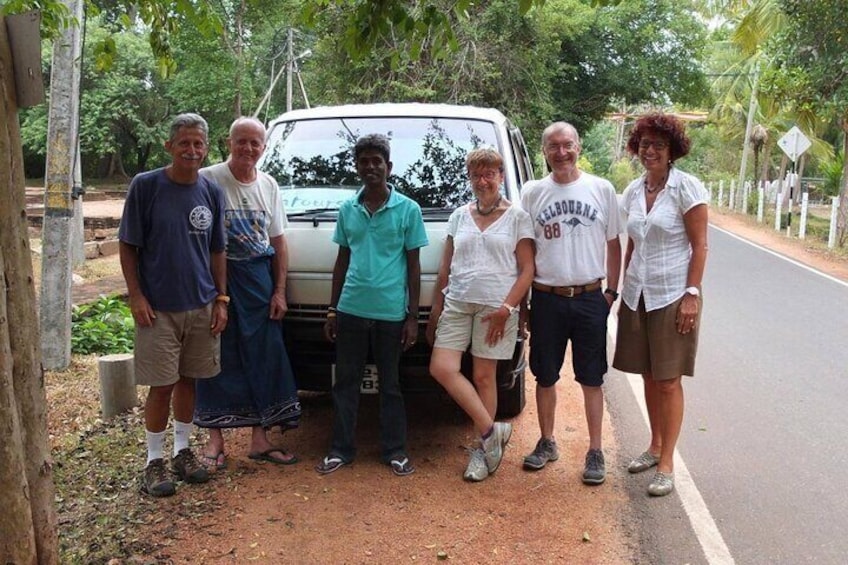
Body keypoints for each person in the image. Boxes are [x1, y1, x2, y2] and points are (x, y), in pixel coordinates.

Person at [119, 113, 228, 497]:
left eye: (198, 144)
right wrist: (136, 295)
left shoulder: (211, 192)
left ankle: (183, 452)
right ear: (169, 146)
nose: (192, 150)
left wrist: (221, 299)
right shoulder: (146, 186)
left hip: (201, 304)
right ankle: (154, 461)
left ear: (206, 148)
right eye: (184, 143)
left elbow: (217, 250)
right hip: (158, 308)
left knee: (189, 381)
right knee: (161, 385)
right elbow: (128, 245)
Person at [316, 133, 429, 476]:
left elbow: (413, 266)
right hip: (351, 310)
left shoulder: (408, 209)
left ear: (388, 166)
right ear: (357, 167)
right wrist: (333, 309)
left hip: (391, 313)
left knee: (391, 385)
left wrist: (412, 317)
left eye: (376, 161)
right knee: (345, 383)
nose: (370, 167)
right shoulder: (348, 209)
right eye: (363, 161)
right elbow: (341, 261)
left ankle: (395, 451)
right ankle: (340, 450)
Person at [193, 117, 302, 470]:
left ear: (264, 148)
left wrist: (280, 291)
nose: (248, 149)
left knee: (264, 353)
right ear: (229, 142)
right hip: (215, 278)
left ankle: (260, 438)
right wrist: (215, 295)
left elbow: (278, 242)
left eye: (255, 143)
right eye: (242, 141)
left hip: (258, 278)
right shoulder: (208, 179)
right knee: (217, 353)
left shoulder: (268, 185)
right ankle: (215, 441)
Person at [520, 122, 622, 485]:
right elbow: (526, 249)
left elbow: (613, 243)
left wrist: (611, 293)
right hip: (547, 298)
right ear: (543, 151)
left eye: (567, 145)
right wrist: (526, 301)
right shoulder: (532, 193)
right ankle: (547, 441)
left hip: (590, 296)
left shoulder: (601, 188)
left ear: (578, 146)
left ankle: (595, 449)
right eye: (553, 146)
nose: (561, 153)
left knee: (591, 377)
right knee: (545, 375)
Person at [612, 112, 708, 497]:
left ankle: (667, 462)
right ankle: (653, 446)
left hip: (672, 294)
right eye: (645, 144)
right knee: (648, 375)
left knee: (668, 380)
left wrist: (692, 294)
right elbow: (632, 243)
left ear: (672, 151)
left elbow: (699, 245)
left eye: (659, 145)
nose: (650, 151)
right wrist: (621, 292)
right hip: (638, 293)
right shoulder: (634, 191)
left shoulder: (687, 188)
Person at [427, 148, 535, 482]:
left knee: (484, 377)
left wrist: (508, 309)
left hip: (495, 308)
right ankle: (492, 433)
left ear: (501, 176)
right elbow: (446, 266)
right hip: (457, 302)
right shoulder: (459, 215)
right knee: (441, 368)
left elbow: (528, 269)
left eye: (489, 173)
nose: (483, 180)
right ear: (470, 178)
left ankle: (481, 450)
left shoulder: (517, 217)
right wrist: (435, 308)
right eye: (476, 174)